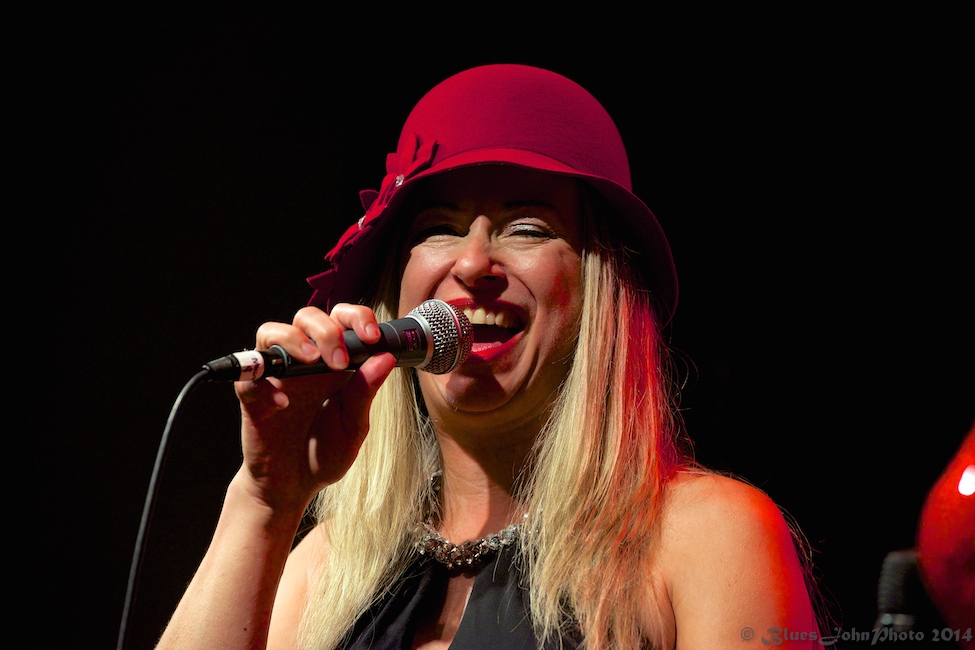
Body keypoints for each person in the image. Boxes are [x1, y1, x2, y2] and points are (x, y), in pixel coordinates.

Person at [156, 63, 823, 649]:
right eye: (438, 229)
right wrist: (266, 500)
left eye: (527, 227)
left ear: (601, 288)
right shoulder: (328, 568)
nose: (473, 263)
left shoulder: (707, 539)